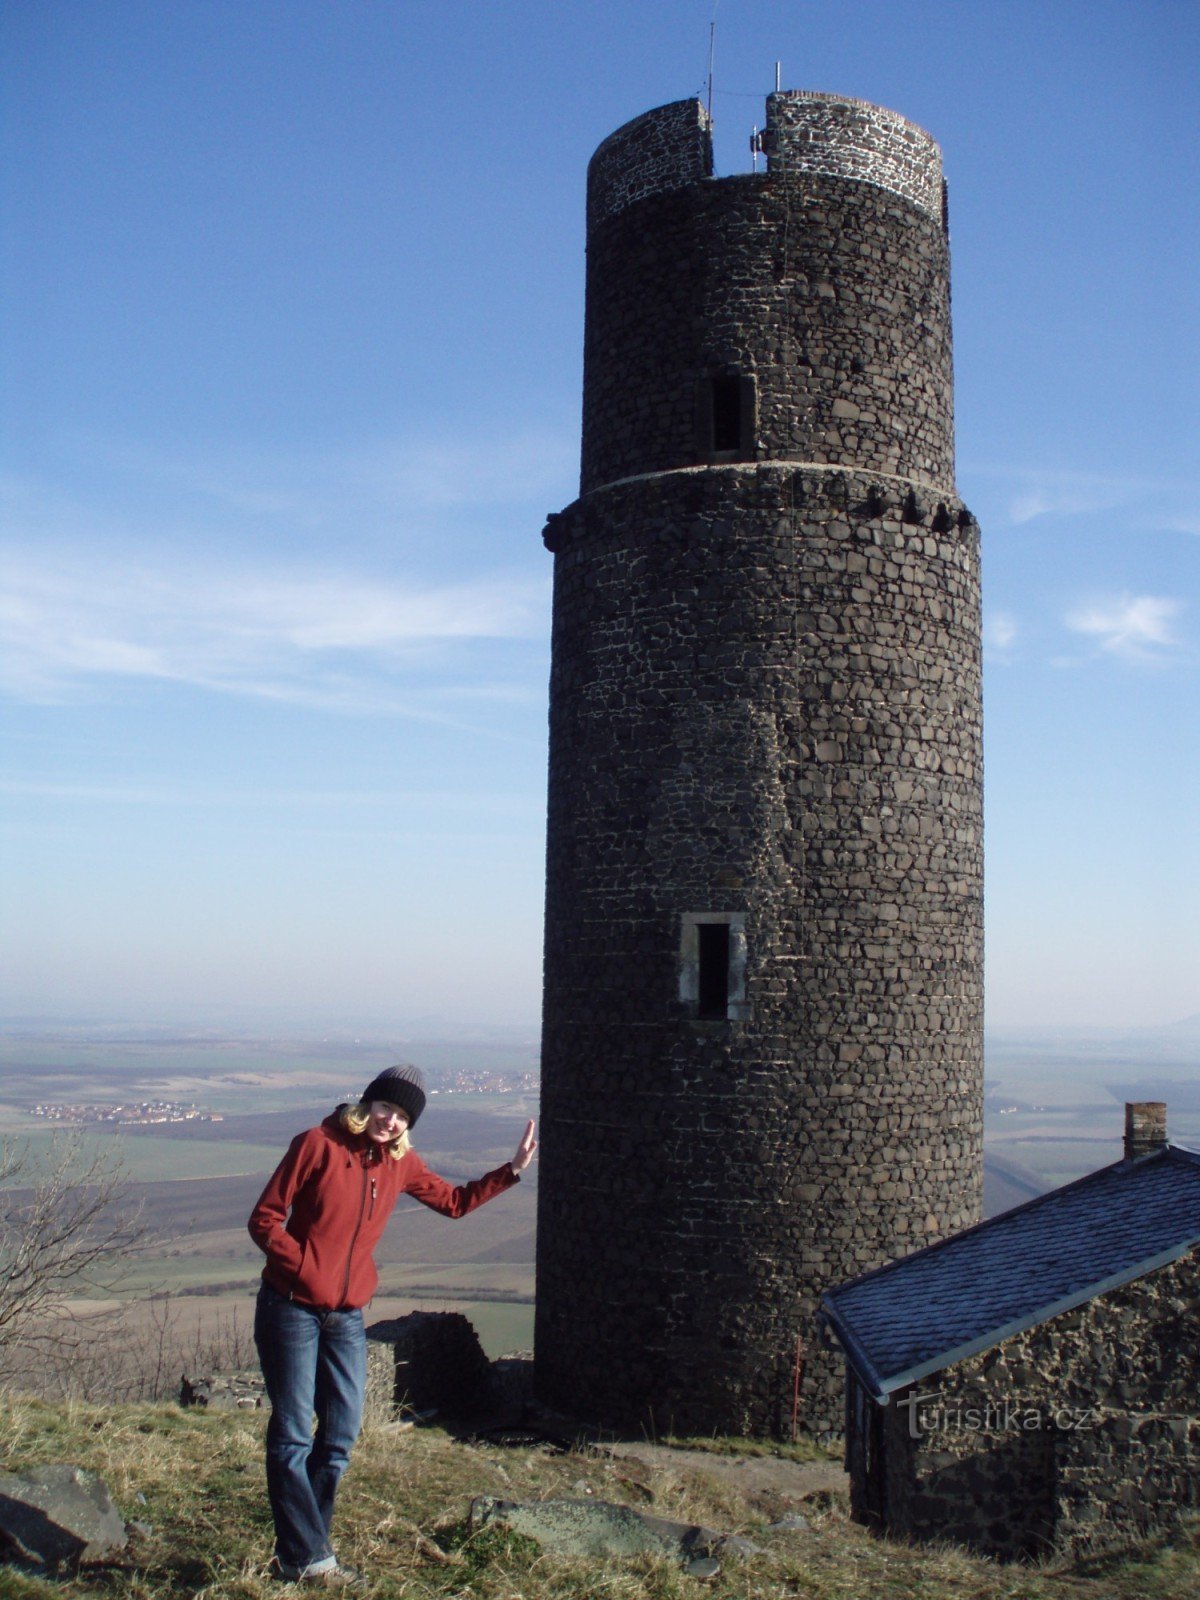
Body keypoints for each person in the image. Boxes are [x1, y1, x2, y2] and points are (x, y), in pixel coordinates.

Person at [248, 1064, 537, 1586]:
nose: (391, 1121)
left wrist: (511, 1170)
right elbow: (265, 1217)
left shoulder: (399, 1164)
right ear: (367, 1104)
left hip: (347, 1317)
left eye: (403, 1116)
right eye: (386, 1108)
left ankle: (303, 1554)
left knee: (338, 1438)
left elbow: (453, 1203)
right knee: (292, 1437)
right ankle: (311, 1560)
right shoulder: (317, 1144)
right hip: (290, 1307)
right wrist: (304, 1270)